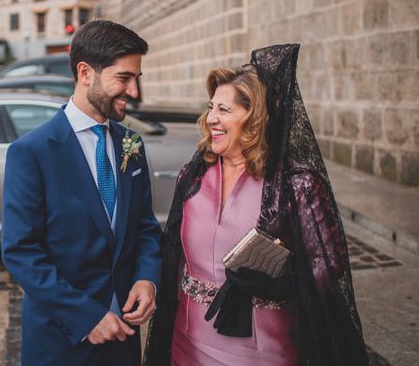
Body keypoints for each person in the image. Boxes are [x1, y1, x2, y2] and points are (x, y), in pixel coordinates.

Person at [144, 44, 368, 366]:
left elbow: (329, 259)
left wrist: (287, 282)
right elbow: (172, 255)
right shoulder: (193, 177)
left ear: (255, 118)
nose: (211, 119)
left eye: (224, 109)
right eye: (211, 107)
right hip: (187, 342)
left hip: (262, 351)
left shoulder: (295, 183)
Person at [2, 20, 162, 366]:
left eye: (137, 79)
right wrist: (86, 316)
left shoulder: (131, 143)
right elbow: (21, 252)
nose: (134, 92)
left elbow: (146, 227)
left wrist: (147, 279)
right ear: (86, 72)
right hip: (62, 341)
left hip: (123, 338)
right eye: (124, 78)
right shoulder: (31, 152)